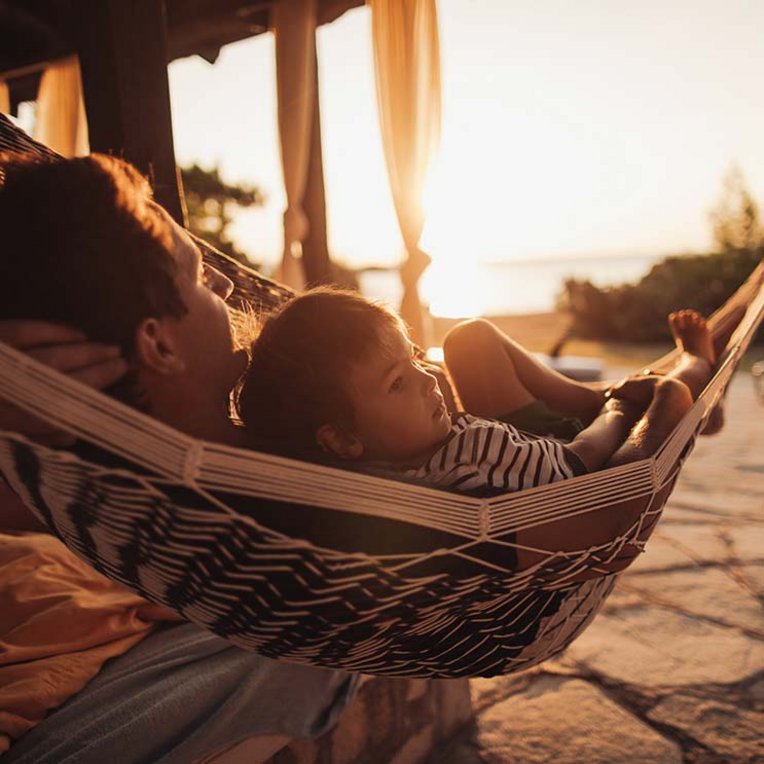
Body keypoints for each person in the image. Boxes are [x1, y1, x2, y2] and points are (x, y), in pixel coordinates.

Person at [0, 152, 357, 762]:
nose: (224, 283)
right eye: (198, 276)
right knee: (314, 631)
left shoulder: (78, 488)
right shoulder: (60, 490)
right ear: (158, 343)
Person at [239, 289, 717, 570]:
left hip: (529, 449)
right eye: (398, 383)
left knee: (469, 337)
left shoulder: (380, 469)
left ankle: (611, 392)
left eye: (415, 360)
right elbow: (577, 465)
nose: (430, 380)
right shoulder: (470, 459)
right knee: (671, 394)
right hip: (591, 462)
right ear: (341, 439)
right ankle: (696, 364)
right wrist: (615, 412)